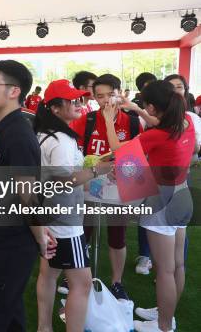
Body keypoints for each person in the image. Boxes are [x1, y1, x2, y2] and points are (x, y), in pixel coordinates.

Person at [0, 60, 56, 331]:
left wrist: (40, 237)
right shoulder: (4, 127)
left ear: (14, 91)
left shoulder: (18, 133)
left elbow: (27, 195)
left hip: (9, 242)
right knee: (8, 311)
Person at [105, 81, 197, 332]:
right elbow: (159, 124)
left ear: (154, 107)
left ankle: (164, 325)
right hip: (182, 198)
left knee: (165, 270)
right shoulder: (185, 123)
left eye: (147, 107)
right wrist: (136, 108)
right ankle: (167, 312)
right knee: (177, 265)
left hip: (161, 204)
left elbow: (117, 149)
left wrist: (107, 119)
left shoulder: (155, 135)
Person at [34, 79, 113, 332]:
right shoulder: (61, 140)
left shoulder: (45, 135)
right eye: (72, 100)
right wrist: (96, 170)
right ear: (55, 108)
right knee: (82, 284)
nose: (80, 103)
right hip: (65, 221)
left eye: (80, 98)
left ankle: (44, 327)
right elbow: (63, 181)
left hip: (50, 216)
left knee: (49, 274)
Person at [69, 73, 141, 300]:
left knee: (117, 236)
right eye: (100, 96)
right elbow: (73, 149)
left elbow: (136, 156)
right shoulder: (87, 120)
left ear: (120, 93)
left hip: (118, 186)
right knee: (83, 232)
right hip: (90, 184)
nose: (106, 100)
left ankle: (117, 282)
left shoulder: (130, 121)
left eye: (111, 94)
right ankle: (75, 277)